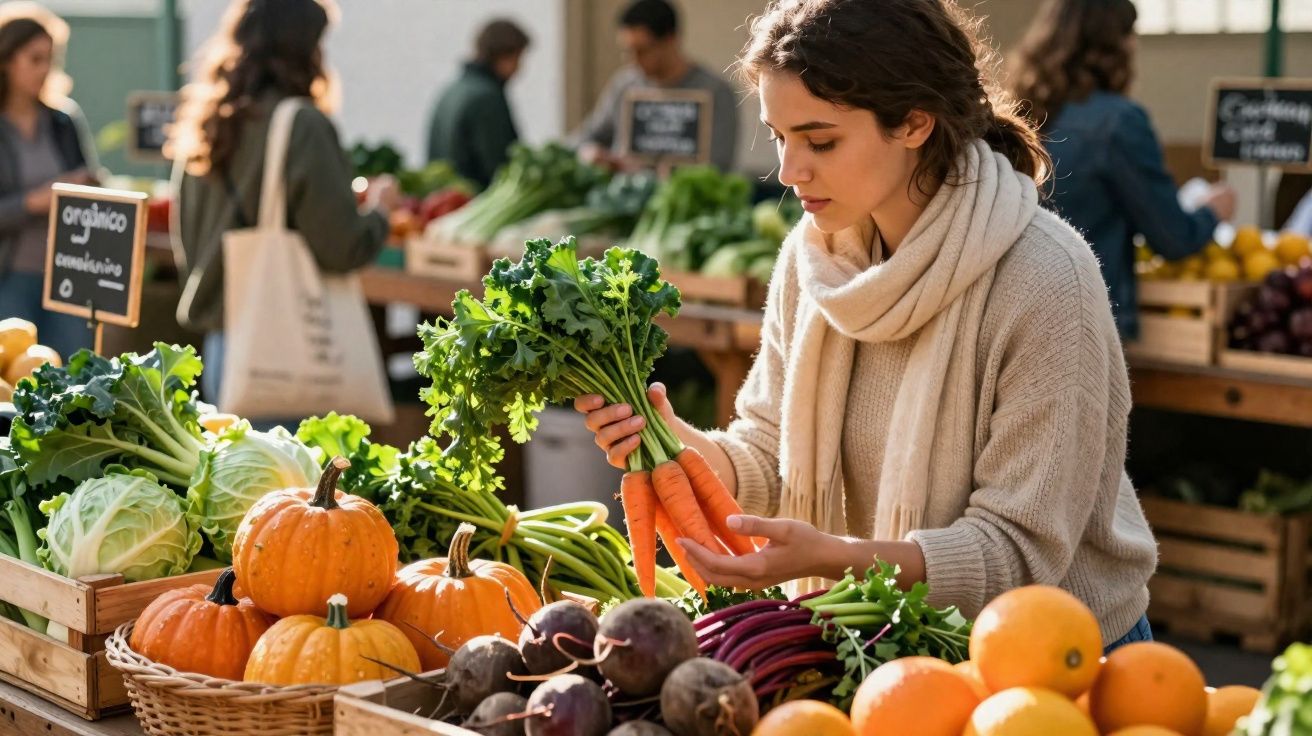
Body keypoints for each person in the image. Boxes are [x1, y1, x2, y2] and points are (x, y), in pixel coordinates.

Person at [576, 0, 1157, 653]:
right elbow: (769, 453)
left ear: (913, 123)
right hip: (875, 641)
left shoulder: (1046, 280)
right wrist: (673, 441)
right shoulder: (814, 256)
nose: (789, 172)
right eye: (778, 137)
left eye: (820, 141)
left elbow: (1018, 555)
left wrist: (833, 557)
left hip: (1057, 658)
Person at [168, 0, 398, 404]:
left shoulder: (208, 119)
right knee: (292, 469)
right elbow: (342, 245)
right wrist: (380, 212)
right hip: (283, 355)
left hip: (220, 346)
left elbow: (185, 234)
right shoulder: (301, 123)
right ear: (304, 47)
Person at [1010, 0, 1236, 339]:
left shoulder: (1019, 112)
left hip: (1017, 316)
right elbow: (1173, 237)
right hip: (1087, 323)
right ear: (1116, 46)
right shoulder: (1119, 123)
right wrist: (1213, 211)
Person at [0, 3, 99, 360]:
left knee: (75, 377)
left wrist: (85, 184)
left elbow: (91, 180)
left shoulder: (63, 120)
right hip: (9, 277)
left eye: (51, 59)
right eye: (35, 58)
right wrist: (33, 202)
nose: (45, 69)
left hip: (69, 276)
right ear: (6, 60)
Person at [575, 0, 738, 172]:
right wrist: (589, 152)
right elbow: (585, 138)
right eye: (627, 50)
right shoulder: (624, 85)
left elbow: (719, 165)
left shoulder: (714, 91)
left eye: (642, 50)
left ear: (671, 40)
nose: (633, 60)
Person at [427, 19, 530, 188]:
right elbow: (500, 166)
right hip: (474, 201)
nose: (519, 68)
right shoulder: (486, 98)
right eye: (518, 58)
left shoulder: (453, 89)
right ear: (503, 55)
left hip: (445, 199)